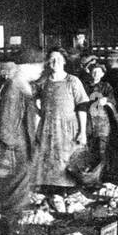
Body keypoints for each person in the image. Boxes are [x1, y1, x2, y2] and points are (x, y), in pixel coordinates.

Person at [0, 47, 43, 218]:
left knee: (16, 201)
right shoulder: (14, 89)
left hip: (18, 153)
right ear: (25, 66)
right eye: (37, 65)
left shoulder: (21, 87)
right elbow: (5, 128)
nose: (41, 69)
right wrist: (17, 148)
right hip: (15, 156)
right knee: (14, 204)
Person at [28, 47, 90, 191]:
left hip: (68, 129)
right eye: (52, 60)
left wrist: (82, 132)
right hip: (47, 129)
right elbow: (30, 99)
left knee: (67, 163)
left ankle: (67, 192)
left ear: (64, 62)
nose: (55, 62)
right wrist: (40, 113)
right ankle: (49, 194)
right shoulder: (43, 82)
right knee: (47, 163)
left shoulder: (72, 81)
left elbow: (82, 106)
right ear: (48, 63)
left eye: (59, 59)